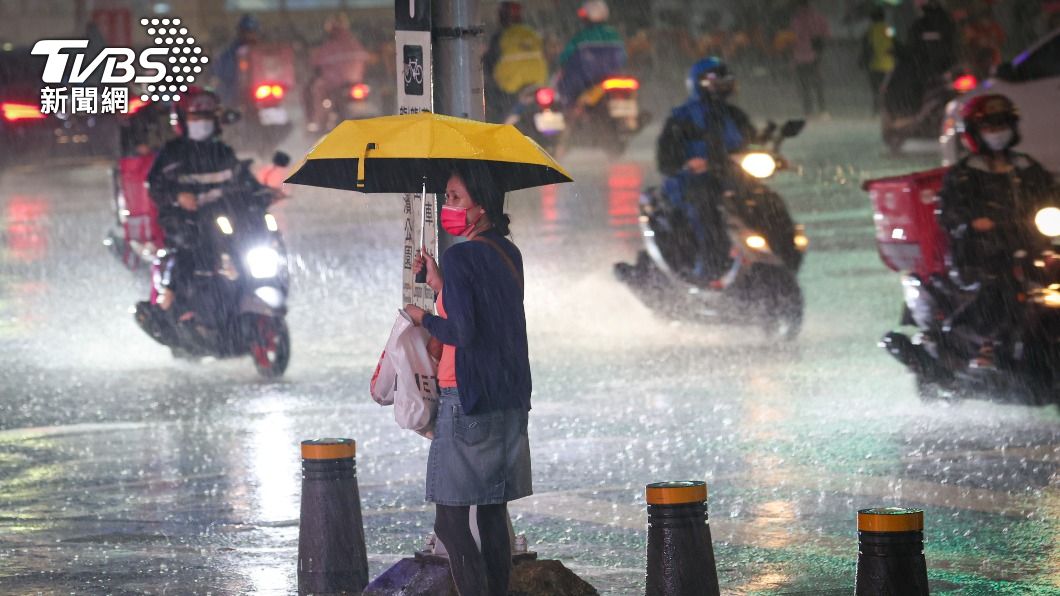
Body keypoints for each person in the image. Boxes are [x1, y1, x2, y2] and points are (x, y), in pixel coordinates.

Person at [402, 165, 532, 596]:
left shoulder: (461, 256)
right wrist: (441, 282)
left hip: (469, 398)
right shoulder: (505, 253)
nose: (448, 206)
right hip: (509, 397)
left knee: (450, 520)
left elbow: (461, 332)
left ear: (480, 204)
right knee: (492, 513)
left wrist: (424, 316)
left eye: (455, 197)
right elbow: (489, 315)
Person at [936, 94, 1057, 369]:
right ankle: (988, 341)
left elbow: (1051, 195)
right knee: (1001, 286)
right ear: (975, 132)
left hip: (1031, 248)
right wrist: (972, 222)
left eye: (1002, 124)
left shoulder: (1027, 167)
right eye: (990, 127)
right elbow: (949, 212)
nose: (997, 132)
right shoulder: (963, 174)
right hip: (981, 255)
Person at [141, 88, 258, 330]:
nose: (202, 123)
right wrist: (177, 197)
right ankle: (166, 304)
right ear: (183, 121)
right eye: (196, 118)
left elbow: (244, 181)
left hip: (219, 218)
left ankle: (243, 298)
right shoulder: (172, 153)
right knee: (189, 248)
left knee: (250, 241)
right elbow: (154, 185)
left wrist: (264, 193)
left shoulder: (223, 152)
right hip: (183, 220)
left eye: (207, 117)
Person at [656, 57, 760, 281]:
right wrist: (688, 165)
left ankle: (781, 252)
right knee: (705, 206)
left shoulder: (735, 116)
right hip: (692, 183)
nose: (721, 83)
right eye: (714, 78)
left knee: (766, 201)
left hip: (731, 178)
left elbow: (754, 143)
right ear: (698, 82)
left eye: (724, 77)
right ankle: (708, 267)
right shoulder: (681, 118)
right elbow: (665, 160)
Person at [482, 1, 548, 123]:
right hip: (538, 83)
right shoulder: (532, 34)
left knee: (494, 113)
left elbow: (489, 61)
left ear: (502, 17)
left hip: (510, 88)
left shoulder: (502, 36)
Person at [305, 14, 371, 132]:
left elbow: (315, 63)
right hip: (355, 83)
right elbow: (366, 60)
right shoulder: (354, 43)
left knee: (315, 90)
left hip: (334, 87)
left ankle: (317, 123)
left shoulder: (328, 46)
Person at [554, 0, 627, 106]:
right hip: (612, 77)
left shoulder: (581, 37)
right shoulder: (615, 35)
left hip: (586, 82)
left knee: (564, 89)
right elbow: (623, 57)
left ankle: (574, 110)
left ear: (587, 17)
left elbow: (565, 57)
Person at [790, 0, 830, 117]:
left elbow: (793, 40)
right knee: (818, 84)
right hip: (815, 57)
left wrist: (792, 59)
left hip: (799, 57)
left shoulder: (796, 20)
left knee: (805, 86)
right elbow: (826, 35)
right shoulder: (819, 18)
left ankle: (808, 111)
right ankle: (823, 110)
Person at [214, 15, 260, 108]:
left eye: (252, 32)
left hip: (259, 87)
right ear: (240, 32)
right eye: (247, 32)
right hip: (237, 92)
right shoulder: (230, 52)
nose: (250, 35)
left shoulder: (263, 50)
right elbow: (223, 72)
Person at [907, 0, 956, 84]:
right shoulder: (921, 24)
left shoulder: (922, 25)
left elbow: (944, 34)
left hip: (941, 62)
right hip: (943, 61)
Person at [860, 7, 894, 115]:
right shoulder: (889, 29)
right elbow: (894, 43)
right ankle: (887, 110)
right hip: (889, 65)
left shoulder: (870, 31)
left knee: (875, 90)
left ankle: (876, 110)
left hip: (875, 65)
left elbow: (866, 47)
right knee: (887, 90)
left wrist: (862, 60)